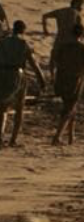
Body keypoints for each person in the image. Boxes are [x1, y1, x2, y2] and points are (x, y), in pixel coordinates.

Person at [0, 19, 44, 147]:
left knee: (2, 107)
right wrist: (41, 79)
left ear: (13, 29)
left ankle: (0, 136)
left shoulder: (3, 42)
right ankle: (13, 140)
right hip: (17, 74)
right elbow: (34, 64)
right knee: (19, 108)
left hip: (2, 73)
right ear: (23, 30)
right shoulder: (23, 44)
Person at [49, 30, 84, 145]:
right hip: (74, 81)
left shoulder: (63, 47)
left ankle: (71, 137)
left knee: (71, 107)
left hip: (61, 79)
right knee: (69, 109)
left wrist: (52, 76)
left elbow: (53, 61)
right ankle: (57, 137)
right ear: (82, 35)